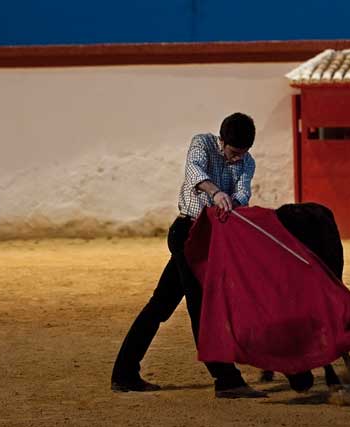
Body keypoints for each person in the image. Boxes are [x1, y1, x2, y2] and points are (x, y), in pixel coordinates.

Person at [111, 112, 266, 398]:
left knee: (161, 305)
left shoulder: (247, 161)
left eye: (242, 154)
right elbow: (195, 172)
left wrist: (233, 202)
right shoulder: (202, 144)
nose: (236, 160)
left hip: (211, 240)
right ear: (221, 141)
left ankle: (124, 372)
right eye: (233, 153)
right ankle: (226, 378)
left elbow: (243, 194)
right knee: (202, 305)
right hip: (185, 233)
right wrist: (217, 192)